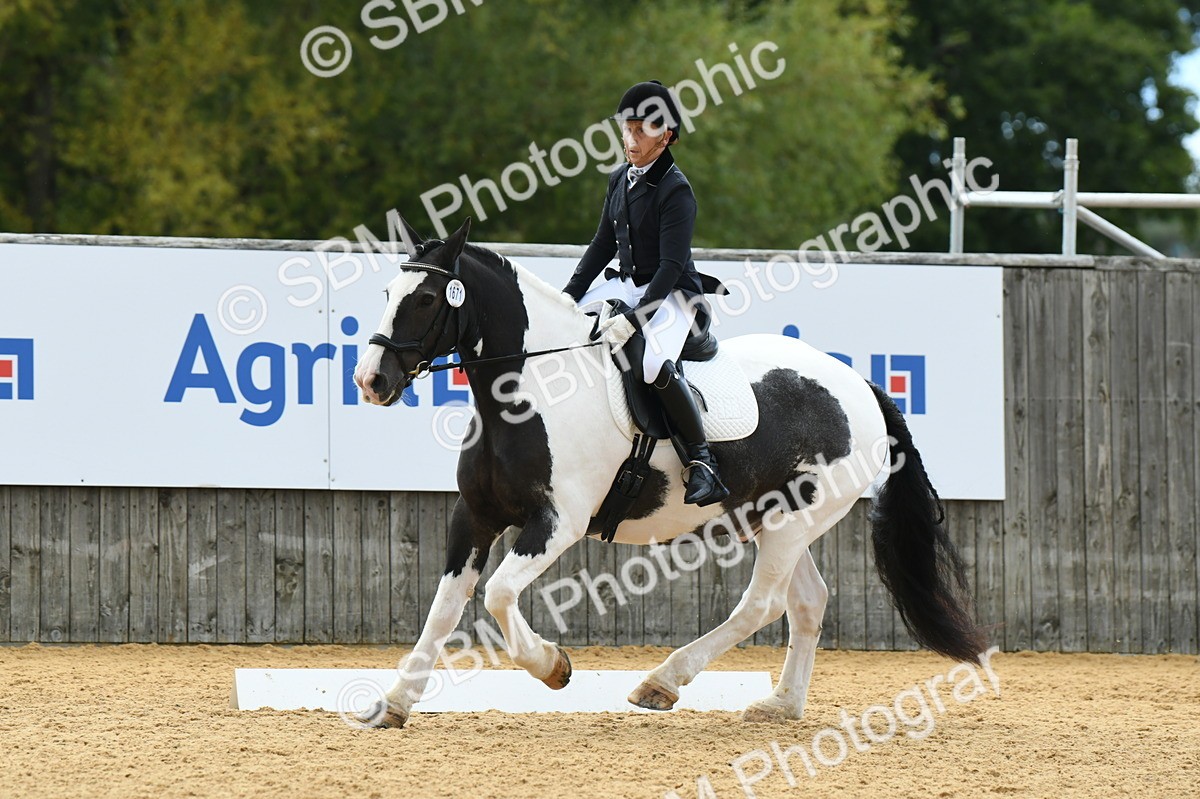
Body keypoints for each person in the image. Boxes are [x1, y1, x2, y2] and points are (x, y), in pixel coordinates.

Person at [563, 80, 729, 507]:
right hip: (628, 281)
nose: (629, 138)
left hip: (672, 294)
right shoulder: (620, 178)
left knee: (654, 363)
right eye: (626, 129)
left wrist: (635, 319)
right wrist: (568, 297)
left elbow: (672, 268)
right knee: (566, 327)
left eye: (641, 130)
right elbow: (602, 245)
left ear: (666, 135)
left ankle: (703, 462)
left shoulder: (677, 191)